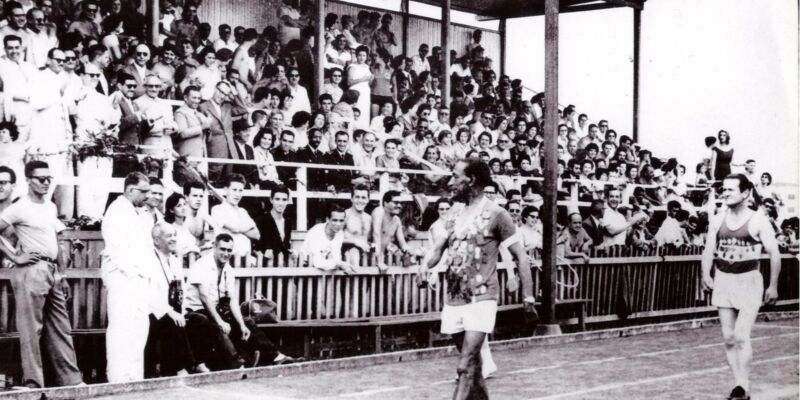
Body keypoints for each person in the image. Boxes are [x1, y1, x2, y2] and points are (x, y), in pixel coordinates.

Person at [418, 159, 536, 400]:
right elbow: (438, 249)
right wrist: (424, 266)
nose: (450, 182)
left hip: (482, 298)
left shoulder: (497, 214)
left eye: (455, 176)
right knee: (474, 369)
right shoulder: (453, 212)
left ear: (471, 180)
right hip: (454, 299)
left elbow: (521, 257)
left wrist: (528, 297)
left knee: (464, 365)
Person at [0, 161, 83, 388]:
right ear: (28, 180)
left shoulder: (50, 206)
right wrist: (15, 257)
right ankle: (34, 383)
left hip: (51, 271)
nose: (46, 182)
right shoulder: (19, 207)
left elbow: (55, 241)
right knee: (31, 330)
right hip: (30, 270)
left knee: (61, 327)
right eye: (40, 178)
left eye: (48, 178)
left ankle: (72, 381)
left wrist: (62, 275)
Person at [701, 174, 781, 400]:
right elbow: (708, 249)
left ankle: (743, 385)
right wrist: (705, 274)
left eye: (730, 189)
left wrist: (773, 285)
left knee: (741, 335)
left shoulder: (758, 220)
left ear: (745, 193)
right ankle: (739, 385)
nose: (724, 192)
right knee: (728, 337)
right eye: (723, 189)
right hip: (724, 279)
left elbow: (774, 253)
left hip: (749, 281)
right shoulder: (717, 219)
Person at [184, 234, 299, 370]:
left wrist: (241, 324)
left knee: (247, 322)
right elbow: (204, 297)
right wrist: (220, 321)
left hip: (216, 309)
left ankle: (276, 357)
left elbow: (232, 299)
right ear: (214, 247)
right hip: (196, 311)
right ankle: (238, 363)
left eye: (229, 250)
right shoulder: (201, 265)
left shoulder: (228, 269)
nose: (226, 253)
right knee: (217, 326)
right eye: (222, 249)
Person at [101, 172, 154, 382]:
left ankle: (133, 378)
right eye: (143, 191)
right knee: (121, 328)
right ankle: (117, 378)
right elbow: (116, 249)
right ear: (130, 190)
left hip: (138, 278)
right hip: (123, 277)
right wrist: (133, 274)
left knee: (139, 329)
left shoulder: (139, 212)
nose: (147, 196)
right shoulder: (116, 211)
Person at [144, 222, 208, 377]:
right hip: (153, 312)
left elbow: (181, 290)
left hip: (174, 311)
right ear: (157, 240)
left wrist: (183, 311)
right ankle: (181, 367)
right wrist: (171, 312)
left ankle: (199, 363)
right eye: (169, 236)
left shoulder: (174, 261)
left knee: (199, 320)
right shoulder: (148, 260)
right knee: (173, 322)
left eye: (175, 235)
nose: (173, 239)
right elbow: (149, 293)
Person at [210, 174, 260, 258]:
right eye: (234, 190)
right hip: (226, 257)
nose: (237, 194)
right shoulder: (217, 209)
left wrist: (238, 229)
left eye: (240, 190)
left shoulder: (243, 211)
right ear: (226, 190)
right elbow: (234, 228)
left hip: (245, 259)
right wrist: (246, 228)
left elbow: (256, 234)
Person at [299, 204, 355, 273]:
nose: (338, 224)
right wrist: (340, 264)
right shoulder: (316, 232)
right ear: (327, 219)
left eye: (341, 221)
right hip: (305, 270)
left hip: (327, 273)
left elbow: (336, 257)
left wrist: (341, 264)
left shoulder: (340, 234)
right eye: (335, 220)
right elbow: (317, 262)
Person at [371, 190, 411, 271]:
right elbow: (376, 234)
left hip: (386, 257)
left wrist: (411, 252)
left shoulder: (397, 220)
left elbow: (402, 243)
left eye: (400, 203)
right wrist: (379, 260)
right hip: (371, 257)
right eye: (396, 202)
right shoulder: (379, 212)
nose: (399, 206)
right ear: (385, 203)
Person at [254, 185, 293, 264]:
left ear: (287, 201)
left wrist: (291, 251)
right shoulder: (262, 220)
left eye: (284, 200)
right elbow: (254, 248)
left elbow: (286, 246)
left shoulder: (288, 222)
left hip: (284, 267)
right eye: (277, 199)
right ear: (271, 200)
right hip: (265, 267)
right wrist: (263, 253)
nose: (280, 203)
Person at [342, 184, 372, 266]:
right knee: (353, 251)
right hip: (348, 256)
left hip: (365, 256)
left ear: (368, 200)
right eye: (357, 197)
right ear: (352, 198)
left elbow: (370, 240)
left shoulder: (369, 218)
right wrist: (355, 242)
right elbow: (335, 239)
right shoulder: (345, 215)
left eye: (363, 198)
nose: (360, 201)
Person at [347, 45, 373, 127]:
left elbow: (369, 82)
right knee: (355, 112)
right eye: (359, 55)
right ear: (356, 55)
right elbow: (349, 82)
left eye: (364, 55)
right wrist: (363, 79)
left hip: (365, 93)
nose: (361, 58)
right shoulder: (352, 66)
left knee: (364, 113)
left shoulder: (367, 67)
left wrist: (371, 80)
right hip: (355, 92)